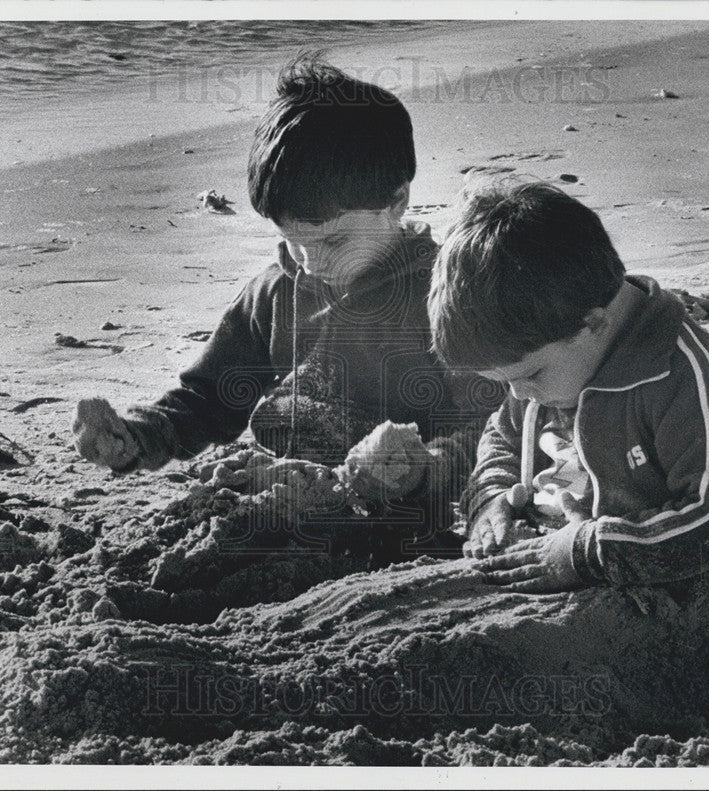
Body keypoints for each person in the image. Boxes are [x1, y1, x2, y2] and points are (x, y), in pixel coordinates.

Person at [72, 54, 500, 518]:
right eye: (293, 241)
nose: (313, 262)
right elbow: (210, 397)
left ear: (396, 200)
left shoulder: (445, 294)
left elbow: (495, 420)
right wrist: (137, 435)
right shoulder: (274, 293)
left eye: (335, 239)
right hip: (299, 496)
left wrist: (425, 468)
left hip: (413, 506)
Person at [427, 181, 709, 595]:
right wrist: (490, 499)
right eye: (505, 382)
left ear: (592, 323)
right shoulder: (551, 360)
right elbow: (502, 439)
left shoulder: (683, 375)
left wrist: (588, 552)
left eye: (529, 376)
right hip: (543, 551)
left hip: (649, 585)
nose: (517, 396)